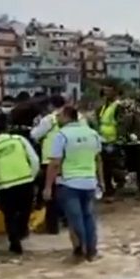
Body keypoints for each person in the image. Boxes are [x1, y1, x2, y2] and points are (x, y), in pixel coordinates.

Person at [44, 106, 102, 262]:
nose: (57, 119)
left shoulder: (62, 135)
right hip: (90, 182)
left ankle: (80, 250)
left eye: (60, 116)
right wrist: (100, 181)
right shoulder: (92, 133)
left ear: (67, 117)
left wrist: (48, 186)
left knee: (75, 219)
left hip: (70, 183)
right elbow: (98, 159)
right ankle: (92, 251)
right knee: (88, 217)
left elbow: (55, 163)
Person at [0, 112, 39, 255]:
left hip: (4, 185)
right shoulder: (18, 140)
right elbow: (34, 160)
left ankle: (14, 243)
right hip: (25, 180)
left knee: (9, 215)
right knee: (25, 210)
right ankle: (21, 231)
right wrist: (31, 176)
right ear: (7, 128)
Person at [31, 95, 67, 234]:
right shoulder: (78, 117)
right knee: (67, 192)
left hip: (51, 161)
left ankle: (52, 228)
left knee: (51, 194)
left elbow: (34, 135)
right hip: (70, 161)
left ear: (51, 105)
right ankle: (68, 221)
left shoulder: (49, 119)